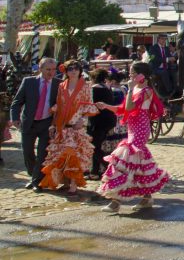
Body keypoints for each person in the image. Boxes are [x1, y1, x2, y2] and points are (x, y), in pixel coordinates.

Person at [94, 62, 170, 213]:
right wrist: (106, 106)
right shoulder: (135, 89)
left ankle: (115, 201)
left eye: (133, 73)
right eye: (130, 73)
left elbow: (130, 107)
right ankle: (146, 198)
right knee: (137, 163)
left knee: (124, 160)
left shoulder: (146, 91)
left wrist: (129, 90)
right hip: (132, 128)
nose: (130, 76)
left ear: (142, 75)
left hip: (141, 129)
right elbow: (122, 109)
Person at [37, 60, 98, 199]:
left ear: (80, 70)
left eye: (76, 68)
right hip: (63, 126)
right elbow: (58, 105)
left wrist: (82, 121)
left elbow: (88, 104)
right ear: (66, 71)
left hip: (76, 126)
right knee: (62, 155)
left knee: (74, 155)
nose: (73, 71)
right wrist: (53, 124)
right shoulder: (61, 86)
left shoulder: (86, 86)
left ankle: (73, 184)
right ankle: (65, 181)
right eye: (70, 68)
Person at [8, 57, 60, 189]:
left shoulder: (58, 84)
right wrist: (15, 118)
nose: (51, 72)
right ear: (40, 69)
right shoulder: (29, 82)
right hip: (29, 122)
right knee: (28, 153)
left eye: (54, 69)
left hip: (46, 123)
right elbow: (17, 102)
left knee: (43, 153)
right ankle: (33, 174)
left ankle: (37, 181)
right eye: (48, 69)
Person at [87, 68, 118, 180]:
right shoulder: (107, 88)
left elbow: (91, 105)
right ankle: (94, 172)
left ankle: (108, 166)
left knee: (95, 147)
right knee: (97, 145)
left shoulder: (94, 89)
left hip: (98, 121)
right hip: (108, 120)